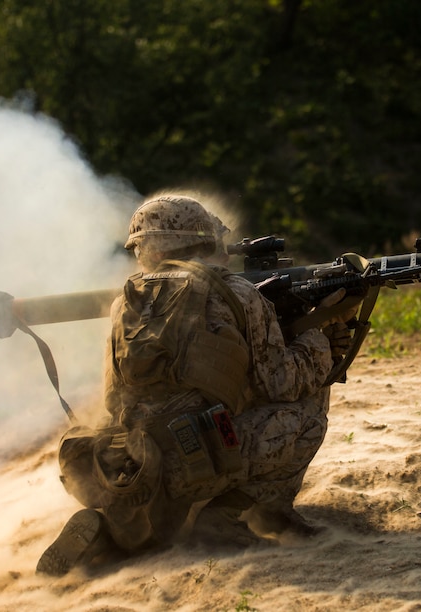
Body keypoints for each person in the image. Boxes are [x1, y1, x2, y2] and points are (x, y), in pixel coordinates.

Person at [36, 194, 352, 576]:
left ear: (149, 247)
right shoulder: (237, 293)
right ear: (200, 237)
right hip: (203, 460)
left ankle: (105, 534)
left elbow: (113, 398)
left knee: (150, 524)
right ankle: (231, 517)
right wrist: (319, 339)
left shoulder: (126, 299)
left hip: (136, 463)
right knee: (307, 410)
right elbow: (281, 382)